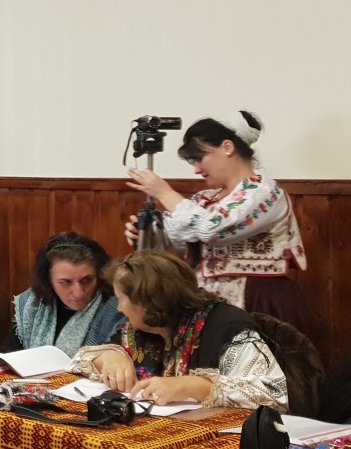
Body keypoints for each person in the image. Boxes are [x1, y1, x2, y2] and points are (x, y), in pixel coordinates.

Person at [125, 111, 305, 322]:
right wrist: (146, 234)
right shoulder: (204, 200)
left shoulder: (266, 193)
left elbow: (211, 229)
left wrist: (164, 193)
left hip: (257, 300)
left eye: (199, 158)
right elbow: (176, 241)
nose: (196, 170)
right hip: (206, 302)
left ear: (227, 147)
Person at [72, 250, 288, 410]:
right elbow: (78, 360)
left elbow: (274, 394)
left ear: (148, 304)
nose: (119, 309)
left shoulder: (226, 327)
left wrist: (196, 386)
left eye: (121, 299)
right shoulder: (140, 330)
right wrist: (107, 356)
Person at [3, 232, 121, 354]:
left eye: (87, 280)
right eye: (65, 282)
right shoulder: (32, 306)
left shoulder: (117, 309)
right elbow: (9, 355)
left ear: (100, 276)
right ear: (48, 281)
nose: (78, 293)